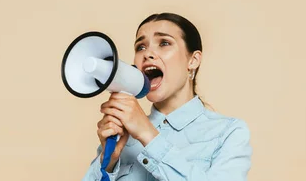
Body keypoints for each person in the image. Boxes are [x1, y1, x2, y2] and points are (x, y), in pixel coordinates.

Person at [82, 13, 252, 181]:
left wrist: (147, 134)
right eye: (141, 47)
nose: (148, 53)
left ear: (193, 60)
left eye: (164, 43)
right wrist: (108, 162)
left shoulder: (229, 133)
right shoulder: (123, 137)